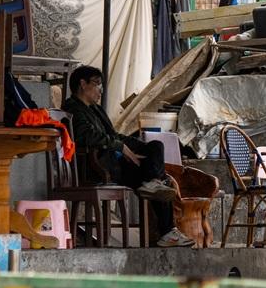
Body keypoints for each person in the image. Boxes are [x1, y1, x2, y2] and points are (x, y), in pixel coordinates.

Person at [61, 66, 194, 248]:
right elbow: (86, 136)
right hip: (99, 166)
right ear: (82, 84)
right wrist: (120, 147)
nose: (101, 90)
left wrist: (136, 144)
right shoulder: (72, 109)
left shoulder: (96, 110)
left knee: (155, 148)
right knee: (161, 183)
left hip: (116, 163)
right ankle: (166, 228)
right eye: (97, 84)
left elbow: (114, 136)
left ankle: (153, 185)